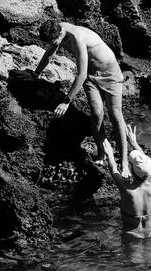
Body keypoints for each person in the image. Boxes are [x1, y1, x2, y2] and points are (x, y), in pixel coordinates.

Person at [36, 15, 129, 175]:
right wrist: (35, 74)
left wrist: (66, 101)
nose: (51, 46)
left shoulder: (77, 38)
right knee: (97, 113)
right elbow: (49, 54)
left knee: (115, 115)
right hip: (91, 75)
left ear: (60, 34)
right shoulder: (57, 29)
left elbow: (81, 74)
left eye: (53, 42)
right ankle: (102, 152)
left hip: (110, 74)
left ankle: (125, 162)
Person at [102, 125, 151, 239]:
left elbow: (113, 169)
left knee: (133, 258)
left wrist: (110, 154)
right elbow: (146, 165)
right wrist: (134, 142)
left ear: (132, 171)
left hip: (133, 233)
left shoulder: (127, 188)